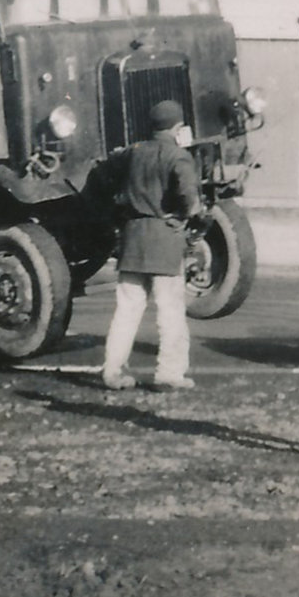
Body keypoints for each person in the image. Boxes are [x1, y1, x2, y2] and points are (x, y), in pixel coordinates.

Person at [101, 99, 201, 391]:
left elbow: (107, 174)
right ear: (178, 127)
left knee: (126, 311)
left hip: (132, 239)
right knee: (170, 312)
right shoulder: (178, 156)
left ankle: (112, 370)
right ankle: (169, 374)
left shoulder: (132, 153)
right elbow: (190, 201)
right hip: (164, 241)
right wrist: (183, 217)